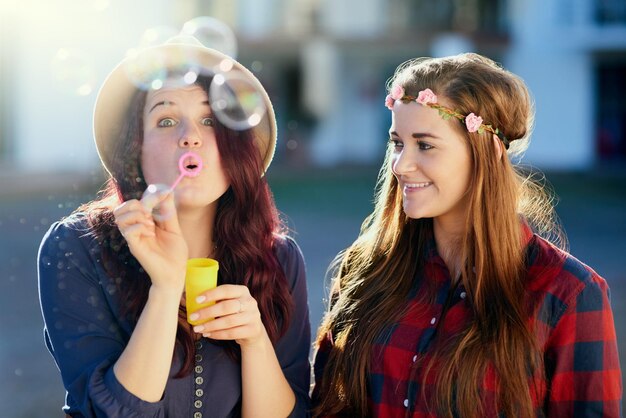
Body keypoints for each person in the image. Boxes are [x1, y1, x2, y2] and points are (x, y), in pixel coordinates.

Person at [312, 53, 622, 417]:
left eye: (424, 145)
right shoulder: (365, 270)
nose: (400, 164)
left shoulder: (567, 294)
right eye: (398, 143)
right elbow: (326, 407)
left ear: (486, 152)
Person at [38, 34, 311, 417]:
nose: (190, 137)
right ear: (135, 151)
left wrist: (255, 342)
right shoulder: (76, 247)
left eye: (210, 120)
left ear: (238, 147)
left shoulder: (279, 258)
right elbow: (110, 412)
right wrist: (165, 288)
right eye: (165, 120)